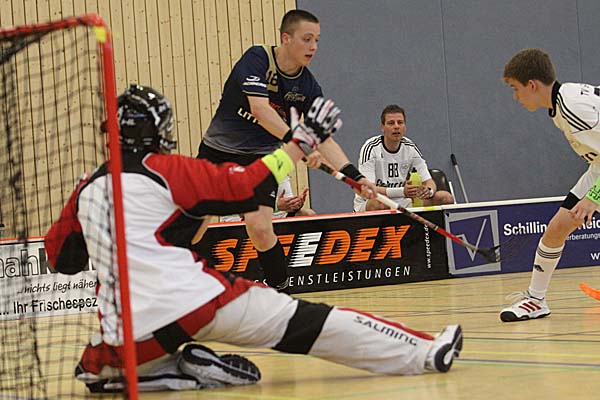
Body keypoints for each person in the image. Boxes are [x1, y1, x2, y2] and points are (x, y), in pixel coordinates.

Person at [44, 86, 462, 393]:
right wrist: (300, 143)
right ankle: (424, 351)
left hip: (130, 337)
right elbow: (248, 185)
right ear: (157, 132)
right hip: (197, 303)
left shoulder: (85, 188)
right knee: (310, 324)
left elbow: (61, 259)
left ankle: (162, 372)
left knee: (101, 365)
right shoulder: (169, 170)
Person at [197, 9, 376, 291]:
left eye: (317, 40)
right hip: (218, 150)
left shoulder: (308, 86)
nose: (313, 47)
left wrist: (355, 177)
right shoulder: (257, 58)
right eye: (307, 39)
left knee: (259, 227)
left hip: (264, 159)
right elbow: (260, 109)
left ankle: (281, 294)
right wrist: (298, 143)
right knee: (195, 228)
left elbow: (323, 139)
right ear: (286, 38)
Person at [499, 48, 600, 322]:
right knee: (557, 228)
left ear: (532, 85)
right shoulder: (562, 103)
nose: (515, 97)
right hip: (598, 168)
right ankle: (536, 299)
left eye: (515, 88)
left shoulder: (573, 108)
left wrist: (594, 197)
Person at [354, 105, 454, 212]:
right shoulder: (371, 148)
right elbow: (369, 190)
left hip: (403, 202)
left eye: (400, 122)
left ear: (405, 127)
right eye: (391, 123)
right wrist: (402, 191)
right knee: (380, 203)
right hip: (371, 201)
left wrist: (428, 191)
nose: (396, 127)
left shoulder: (410, 147)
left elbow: (429, 182)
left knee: (445, 197)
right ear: (382, 127)